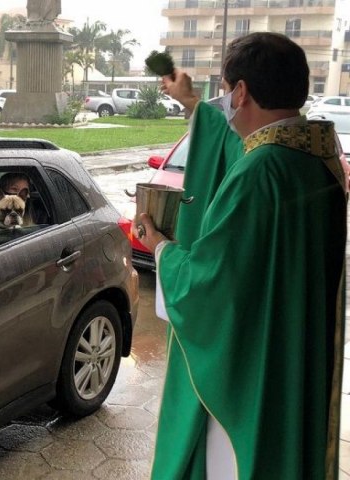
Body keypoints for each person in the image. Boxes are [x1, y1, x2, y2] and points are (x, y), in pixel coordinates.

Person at [138, 32, 347, 479]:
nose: (226, 105)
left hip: (251, 369)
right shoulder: (316, 157)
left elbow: (209, 284)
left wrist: (159, 246)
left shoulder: (260, 172)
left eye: (227, 91)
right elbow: (242, 142)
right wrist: (193, 101)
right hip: (294, 354)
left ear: (241, 91)